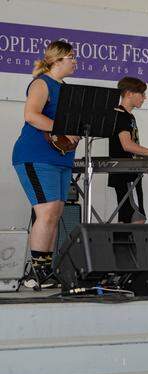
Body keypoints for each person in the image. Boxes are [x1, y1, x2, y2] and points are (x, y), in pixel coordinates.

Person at [12, 40, 79, 284]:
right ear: (56, 59)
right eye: (71, 57)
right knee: (47, 211)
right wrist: (63, 128)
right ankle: (38, 270)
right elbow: (31, 116)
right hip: (35, 155)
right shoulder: (42, 83)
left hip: (60, 156)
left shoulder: (68, 89)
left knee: (56, 211)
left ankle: (46, 267)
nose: (75, 61)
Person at [108, 77, 148, 224]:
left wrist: (147, 160)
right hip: (125, 175)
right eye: (142, 94)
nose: (145, 97)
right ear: (129, 93)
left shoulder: (130, 116)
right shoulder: (119, 115)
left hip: (132, 173)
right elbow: (127, 145)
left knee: (129, 219)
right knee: (135, 219)